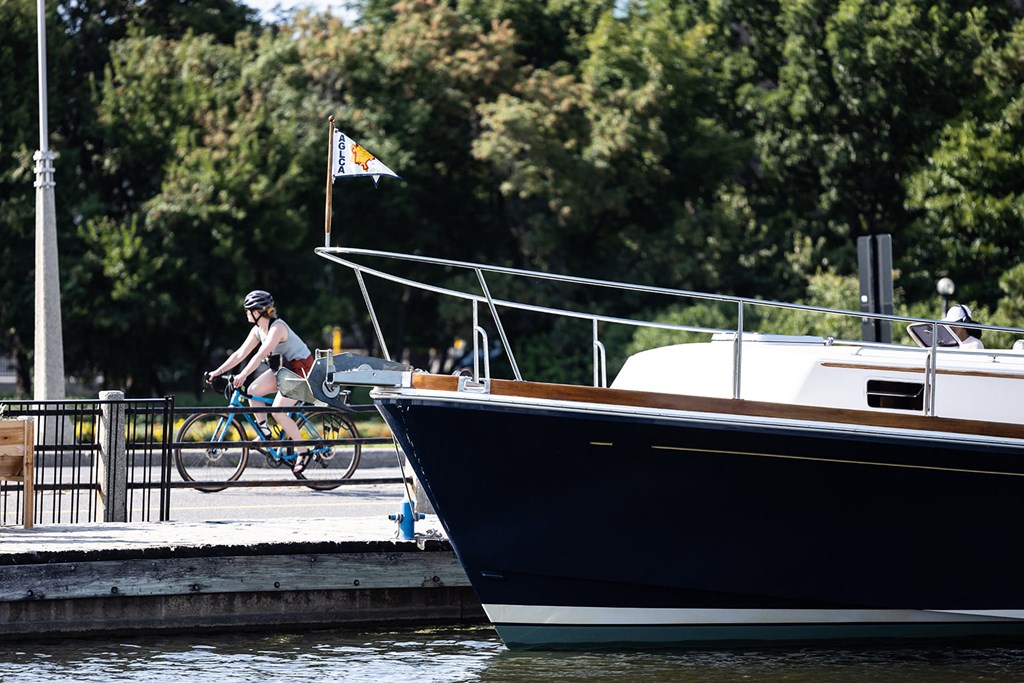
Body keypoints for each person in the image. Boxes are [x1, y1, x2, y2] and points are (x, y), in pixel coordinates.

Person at [206, 290, 317, 473]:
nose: (246, 314)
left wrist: (242, 375)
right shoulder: (258, 330)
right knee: (253, 390)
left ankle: (303, 451)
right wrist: (217, 372)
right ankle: (266, 433)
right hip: (283, 370)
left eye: (247, 311)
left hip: (301, 371)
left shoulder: (277, 328)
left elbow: (260, 355)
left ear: (257, 312)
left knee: (278, 412)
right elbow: (240, 354)